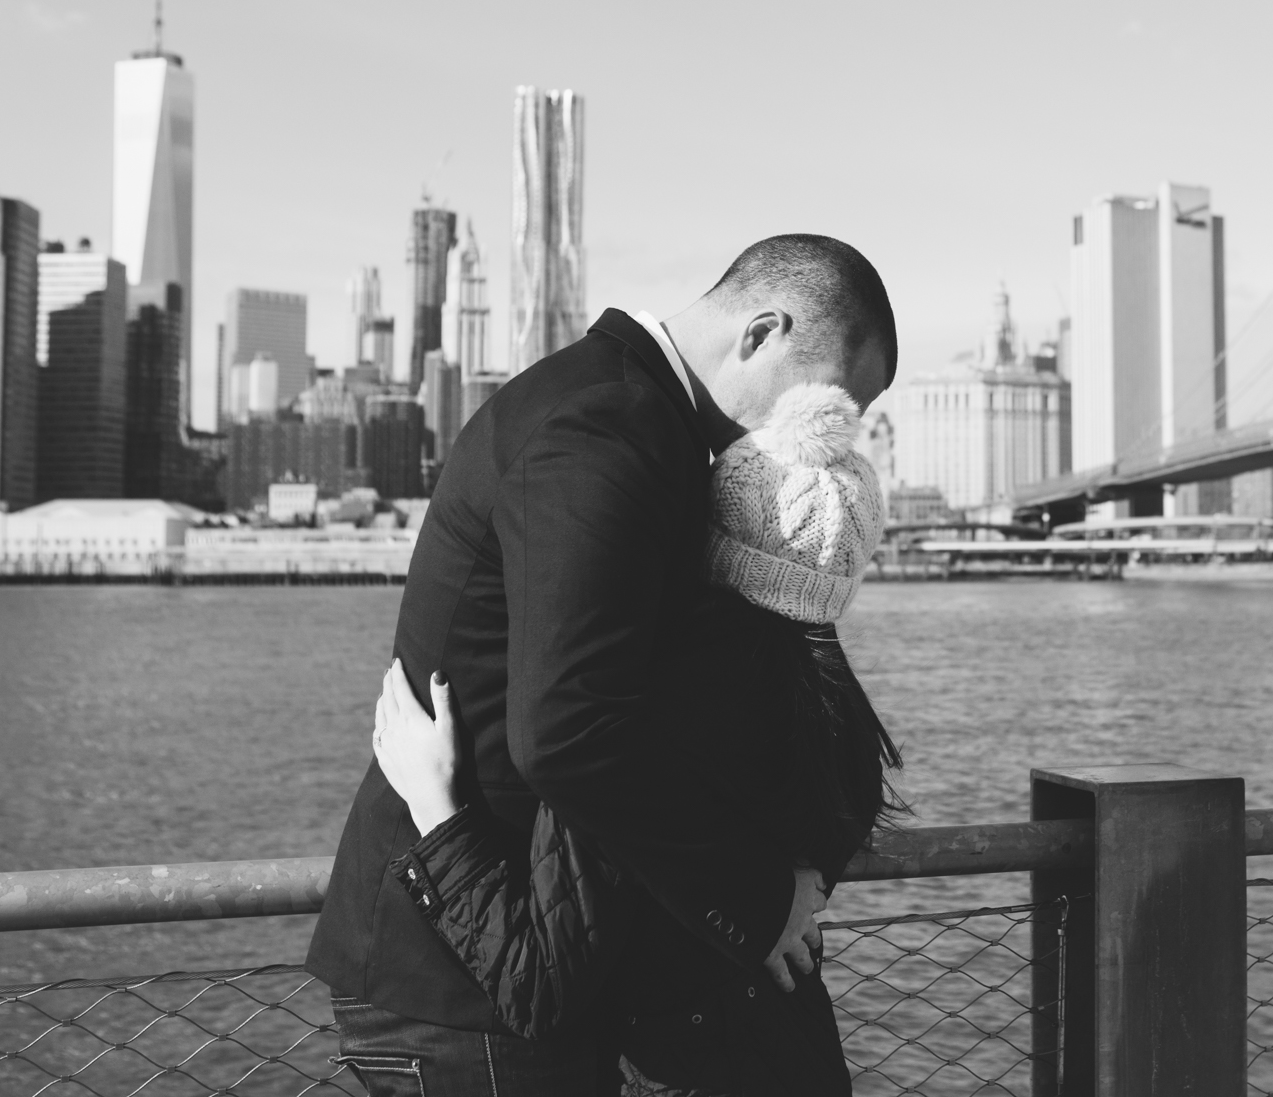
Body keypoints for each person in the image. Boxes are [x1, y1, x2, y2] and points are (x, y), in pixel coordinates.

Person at [307, 235, 898, 1095]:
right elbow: (570, 728)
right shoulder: (608, 424)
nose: (820, 439)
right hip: (465, 981)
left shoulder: (620, 410)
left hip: (517, 951)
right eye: (830, 399)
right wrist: (761, 898)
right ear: (761, 331)